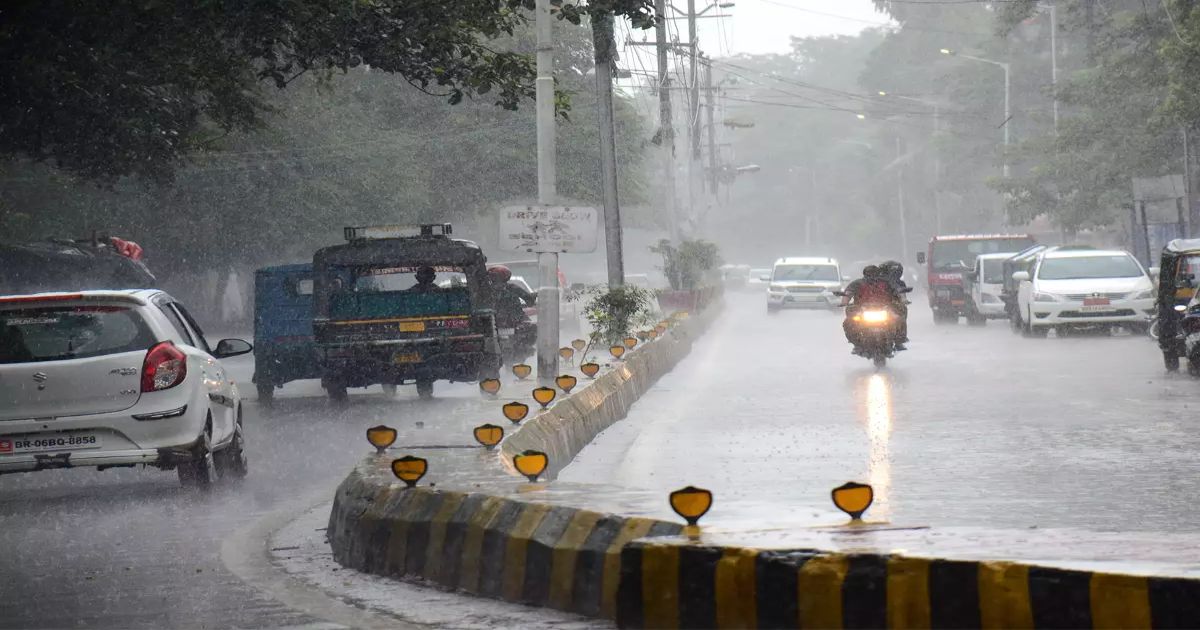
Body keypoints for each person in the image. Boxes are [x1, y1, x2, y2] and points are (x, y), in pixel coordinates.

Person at [840, 265, 904, 352]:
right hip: (862, 310)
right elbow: (848, 293)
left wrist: (903, 299)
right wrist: (844, 302)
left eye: (874, 273)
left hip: (885, 309)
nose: (872, 276)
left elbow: (898, 290)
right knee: (849, 323)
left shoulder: (886, 283)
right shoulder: (858, 283)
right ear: (865, 274)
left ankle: (898, 342)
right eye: (869, 274)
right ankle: (857, 343)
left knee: (898, 320)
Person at [879, 260, 910, 347]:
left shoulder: (900, 283)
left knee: (901, 314)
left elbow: (903, 296)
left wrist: (903, 301)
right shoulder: (876, 282)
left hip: (891, 306)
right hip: (874, 306)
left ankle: (899, 338)